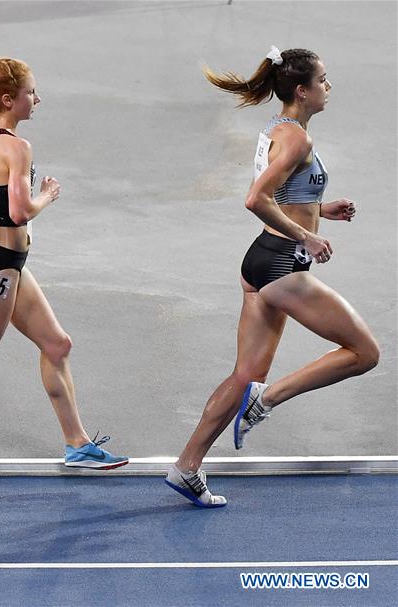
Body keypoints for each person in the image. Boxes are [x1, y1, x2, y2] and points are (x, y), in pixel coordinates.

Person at [166, 46, 379, 508]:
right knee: (364, 353)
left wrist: (322, 210)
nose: (328, 87)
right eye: (323, 80)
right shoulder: (298, 139)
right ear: (302, 91)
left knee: (244, 372)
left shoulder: (280, 129)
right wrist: (309, 235)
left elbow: (281, 194)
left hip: (260, 261)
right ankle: (269, 399)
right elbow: (256, 199)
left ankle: (186, 466)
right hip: (284, 263)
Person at [0, 57, 128, 469]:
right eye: (31, 93)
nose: (37, 99)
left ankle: (77, 444)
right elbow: (21, 212)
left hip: (6, 263)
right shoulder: (17, 147)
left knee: (58, 344)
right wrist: (49, 195)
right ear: (9, 99)